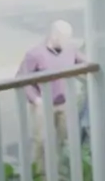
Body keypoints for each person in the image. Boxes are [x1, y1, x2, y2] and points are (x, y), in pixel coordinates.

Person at [16, 20, 86, 168]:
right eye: (64, 38)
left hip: (65, 103)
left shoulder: (71, 49)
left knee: (63, 139)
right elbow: (21, 78)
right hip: (43, 105)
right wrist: (35, 99)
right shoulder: (34, 54)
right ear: (54, 36)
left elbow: (86, 63)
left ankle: (59, 171)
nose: (67, 41)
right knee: (41, 141)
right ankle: (40, 174)